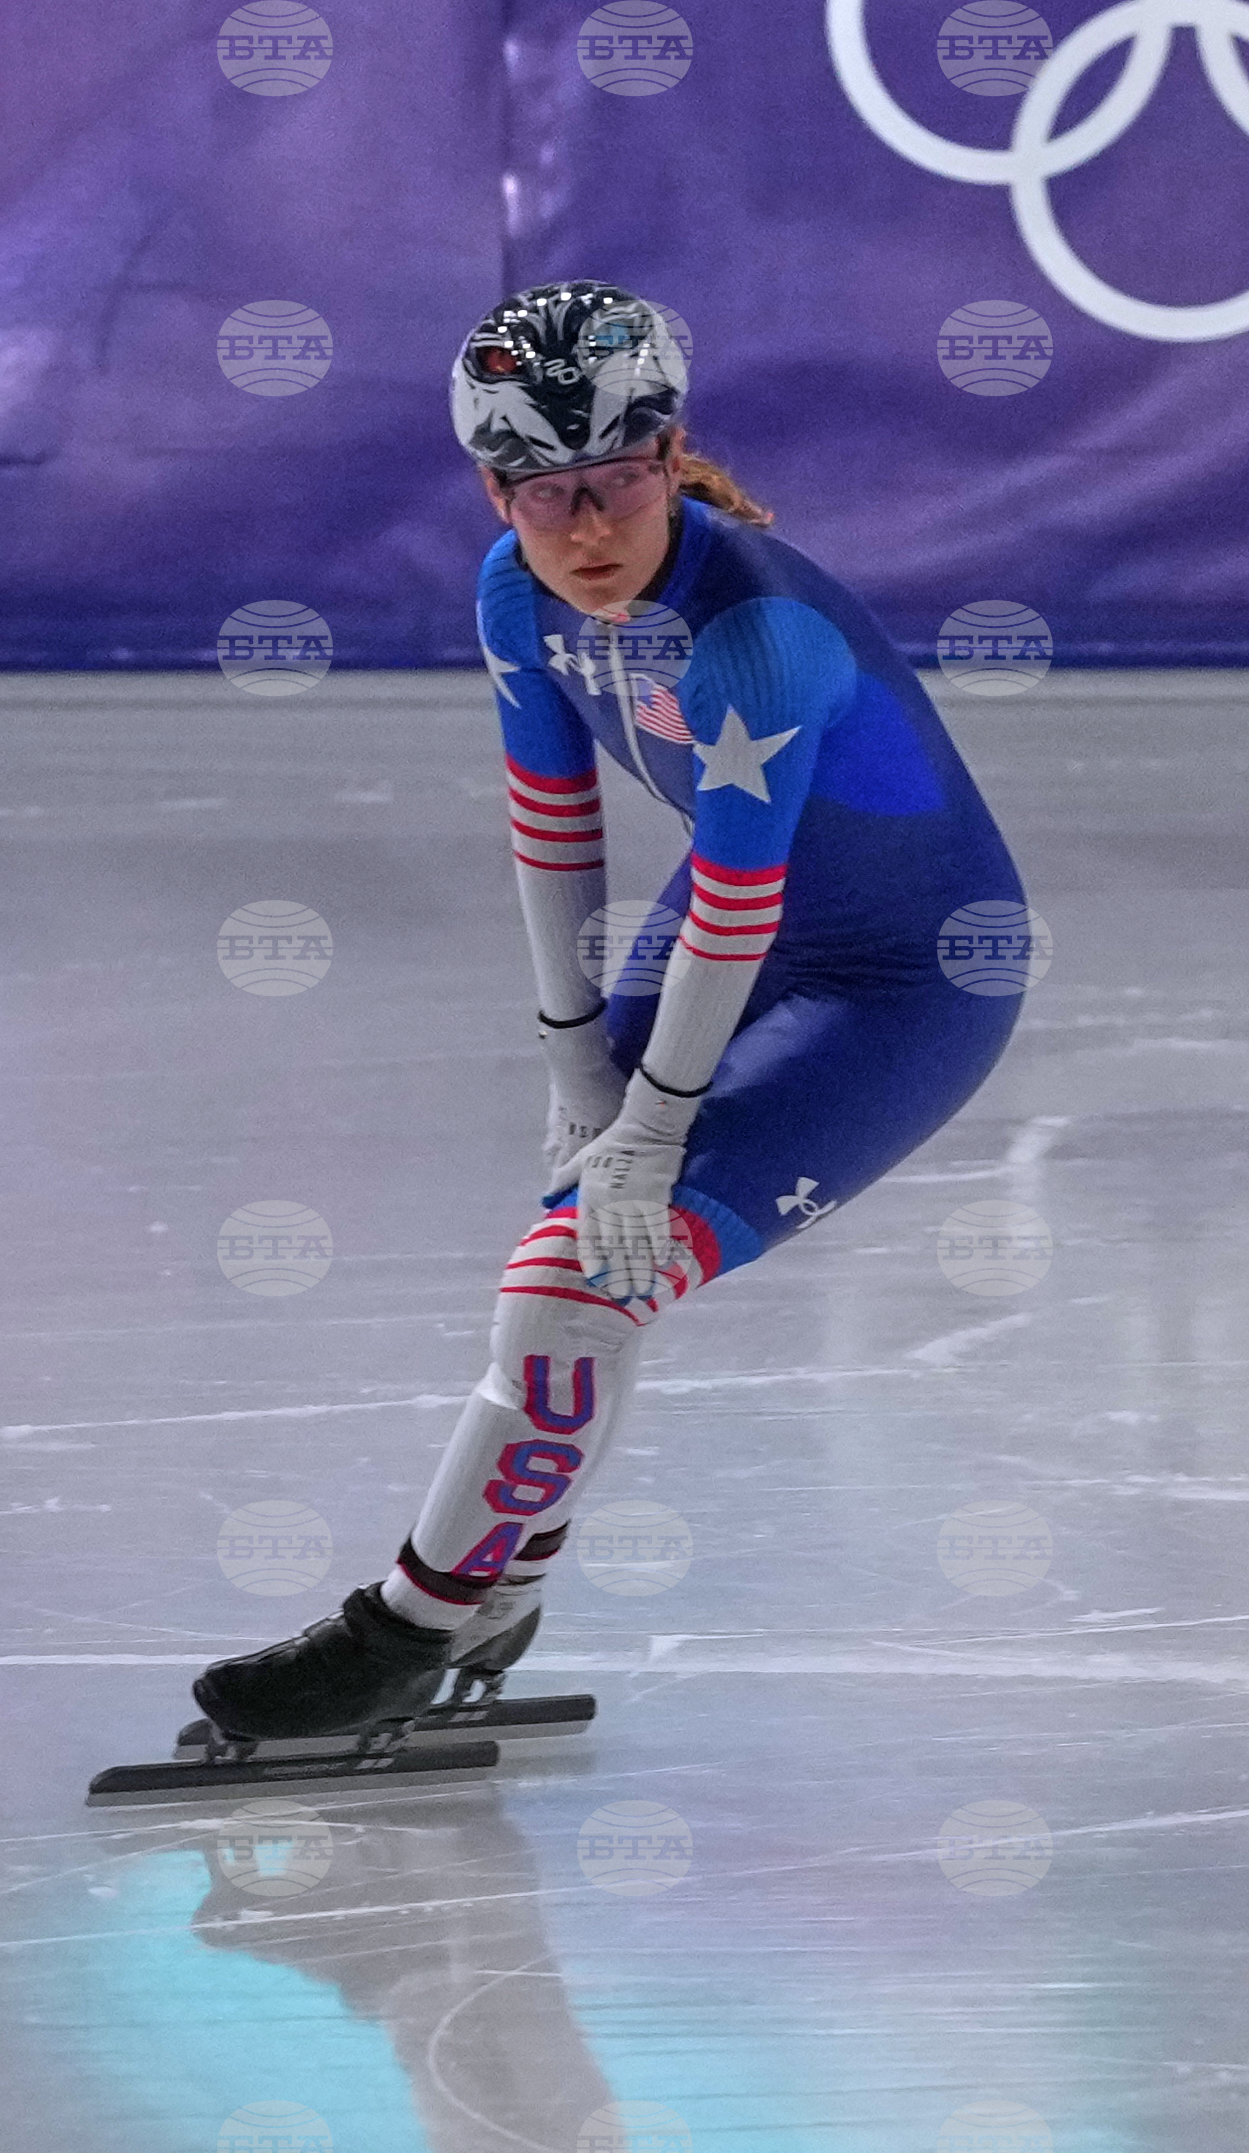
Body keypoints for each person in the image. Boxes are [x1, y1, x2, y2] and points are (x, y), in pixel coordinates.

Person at [193, 281, 1029, 1749]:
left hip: (905, 983)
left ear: (673, 453)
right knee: (576, 1259)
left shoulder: (756, 636)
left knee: (581, 1282)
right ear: (491, 490)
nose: (587, 531)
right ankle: (502, 1579)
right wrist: (574, 1061)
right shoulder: (511, 590)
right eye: (544, 495)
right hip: (732, 926)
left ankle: (410, 1627)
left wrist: (650, 1123)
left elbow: (740, 901)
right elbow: (551, 824)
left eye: (620, 485)